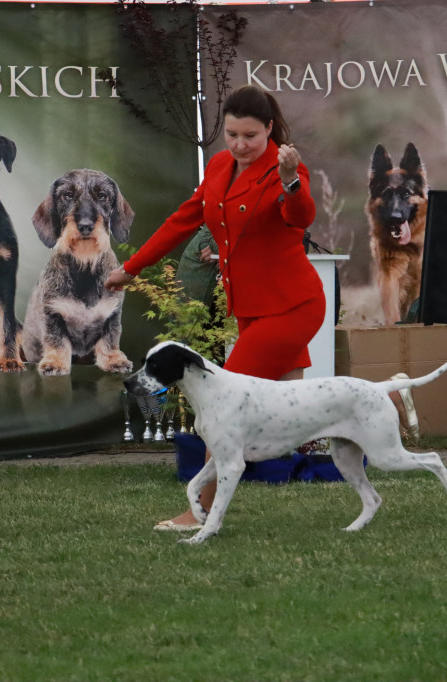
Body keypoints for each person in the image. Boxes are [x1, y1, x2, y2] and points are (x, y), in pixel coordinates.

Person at [105, 85, 326, 530]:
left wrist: (289, 181)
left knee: (222, 408)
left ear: (269, 130)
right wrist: (132, 267)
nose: (240, 146)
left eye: (251, 136)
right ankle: (389, 405)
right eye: (231, 135)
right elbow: (182, 220)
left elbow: (301, 217)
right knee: (292, 406)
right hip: (250, 305)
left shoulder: (286, 166)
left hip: (291, 304)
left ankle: (198, 512)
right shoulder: (221, 165)